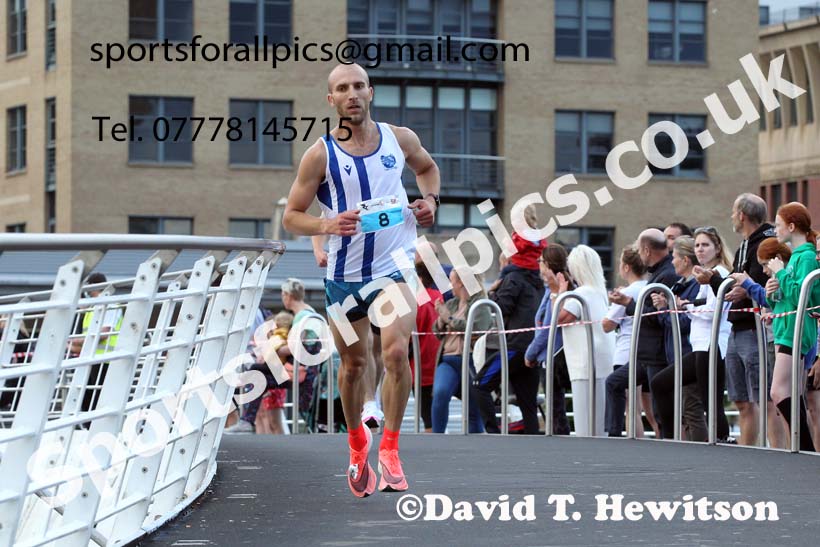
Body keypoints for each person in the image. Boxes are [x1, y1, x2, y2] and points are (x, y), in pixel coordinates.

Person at [282, 63, 439, 497]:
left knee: (393, 352)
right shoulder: (320, 155)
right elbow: (291, 216)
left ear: (370, 91)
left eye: (357, 86)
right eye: (341, 89)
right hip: (344, 275)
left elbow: (427, 169)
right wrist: (327, 227)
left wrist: (430, 200)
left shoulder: (399, 138)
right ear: (331, 100)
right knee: (352, 366)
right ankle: (356, 446)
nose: (352, 94)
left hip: (396, 268)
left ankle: (390, 447)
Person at [651, 228, 733, 440]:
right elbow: (701, 305)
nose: (700, 249)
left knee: (711, 402)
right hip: (698, 346)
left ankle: (723, 441)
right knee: (661, 383)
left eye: (705, 245)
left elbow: (711, 312)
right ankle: (668, 437)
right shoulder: (703, 274)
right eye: (697, 245)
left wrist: (685, 308)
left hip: (711, 345)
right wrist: (685, 305)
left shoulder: (719, 274)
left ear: (717, 248)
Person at [750, 203, 817, 452]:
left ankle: (805, 447)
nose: (775, 230)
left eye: (778, 225)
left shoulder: (806, 257)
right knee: (790, 393)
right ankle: (801, 447)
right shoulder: (796, 258)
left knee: (778, 392)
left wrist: (781, 275)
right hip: (786, 328)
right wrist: (772, 294)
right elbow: (787, 297)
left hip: (795, 332)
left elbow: (805, 296)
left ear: (791, 226)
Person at [476, 210, 545, 435]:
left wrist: (493, 291)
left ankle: (493, 434)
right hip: (532, 347)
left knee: (480, 385)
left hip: (514, 345)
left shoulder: (512, 279)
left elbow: (501, 308)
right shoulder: (538, 280)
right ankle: (533, 445)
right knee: (528, 403)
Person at [607, 229, 678, 435]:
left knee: (659, 408)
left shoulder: (666, 274)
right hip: (644, 353)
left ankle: (669, 445)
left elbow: (657, 315)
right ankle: (613, 435)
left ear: (647, 250)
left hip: (657, 354)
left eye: (639, 249)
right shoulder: (657, 273)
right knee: (614, 383)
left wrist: (628, 303)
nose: (638, 254)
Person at [553, 245, 615, 436]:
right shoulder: (599, 292)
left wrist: (559, 292)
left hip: (584, 362)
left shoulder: (580, 295)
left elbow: (558, 318)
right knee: (599, 420)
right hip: (604, 359)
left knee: (585, 424)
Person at [431, 267, 489, 433]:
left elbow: (477, 328)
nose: (451, 286)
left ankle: (475, 446)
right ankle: (437, 437)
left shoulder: (481, 305)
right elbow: (436, 331)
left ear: (462, 283)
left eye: (453, 281)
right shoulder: (452, 304)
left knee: (474, 409)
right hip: (449, 359)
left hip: (471, 362)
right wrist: (442, 321)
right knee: (440, 394)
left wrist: (448, 318)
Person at [602, 246, 652, 437]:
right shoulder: (649, 287)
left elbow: (607, 325)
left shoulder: (628, 292)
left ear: (626, 267)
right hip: (646, 352)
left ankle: (632, 442)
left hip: (626, 352)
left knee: (631, 407)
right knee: (641, 407)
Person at [525, 244, 572, 435]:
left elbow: (548, 328)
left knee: (556, 409)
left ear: (549, 264)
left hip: (555, 355)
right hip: (548, 356)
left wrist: (530, 353)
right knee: (555, 407)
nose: (538, 265)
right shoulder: (549, 289)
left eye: (541, 261)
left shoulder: (560, 290)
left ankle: (561, 445)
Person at [412, 262, 443, 432]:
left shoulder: (416, 300)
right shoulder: (438, 296)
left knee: (427, 417)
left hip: (419, 366)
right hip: (437, 362)